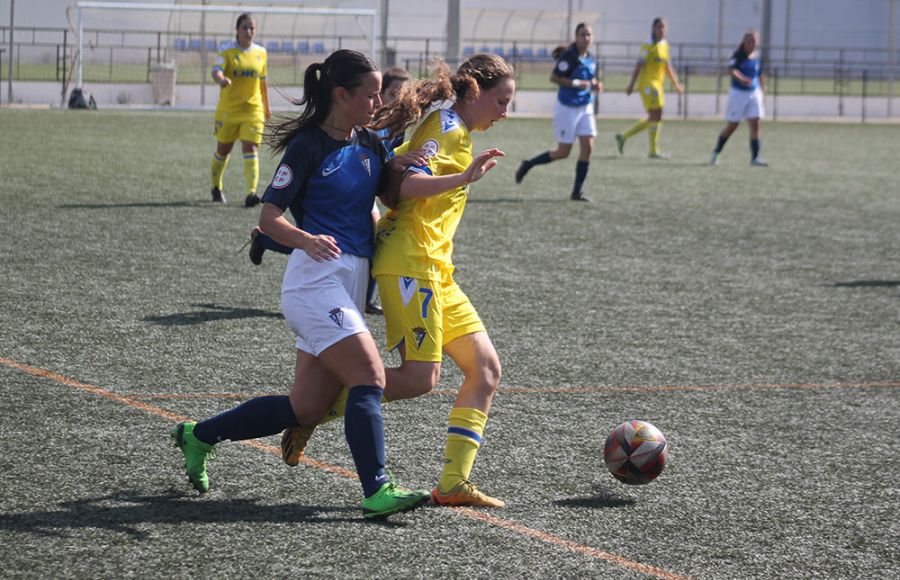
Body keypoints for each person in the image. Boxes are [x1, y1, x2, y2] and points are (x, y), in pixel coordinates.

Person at [172, 49, 431, 519]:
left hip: (350, 281)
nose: (378, 103)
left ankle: (198, 435)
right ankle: (377, 488)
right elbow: (269, 217)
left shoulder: (371, 143)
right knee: (369, 377)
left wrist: (406, 164)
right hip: (313, 284)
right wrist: (306, 238)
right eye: (370, 95)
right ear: (341, 95)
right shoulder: (308, 146)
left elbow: (386, 186)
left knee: (308, 407)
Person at [281, 54, 515, 509]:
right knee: (420, 377)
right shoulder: (445, 129)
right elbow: (406, 187)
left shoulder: (459, 131)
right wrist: (463, 177)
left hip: (436, 268)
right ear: (474, 91)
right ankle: (320, 410)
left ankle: (452, 484)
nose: (505, 111)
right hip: (410, 263)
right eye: (502, 100)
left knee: (485, 370)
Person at [514, 23, 601, 202]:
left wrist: (596, 84)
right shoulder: (569, 56)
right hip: (567, 107)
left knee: (588, 147)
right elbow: (554, 78)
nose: (587, 38)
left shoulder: (592, 58)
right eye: (583, 34)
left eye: (589, 34)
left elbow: (591, 78)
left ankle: (577, 192)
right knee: (563, 152)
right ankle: (528, 164)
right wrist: (577, 83)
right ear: (576, 37)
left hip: (585, 106)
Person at [209, 13, 271, 207]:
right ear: (237, 30)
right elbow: (216, 70)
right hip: (228, 110)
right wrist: (222, 80)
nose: (249, 31)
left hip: (253, 110)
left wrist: (267, 107)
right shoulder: (226, 50)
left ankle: (251, 193)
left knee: (251, 148)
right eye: (245, 27)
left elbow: (263, 83)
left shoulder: (261, 52)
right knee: (223, 150)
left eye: (252, 27)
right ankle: (216, 186)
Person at [616, 17, 684, 159]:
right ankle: (652, 150)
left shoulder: (664, 45)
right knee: (656, 115)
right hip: (648, 85)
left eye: (663, 27)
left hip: (657, 85)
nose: (661, 30)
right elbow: (638, 65)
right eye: (658, 27)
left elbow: (667, 67)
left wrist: (675, 83)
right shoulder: (648, 45)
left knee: (655, 116)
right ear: (653, 28)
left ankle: (624, 136)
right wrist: (631, 84)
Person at [710, 29, 768, 167]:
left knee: (756, 123)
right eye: (749, 41)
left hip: (754, 93)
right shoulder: (738, 55)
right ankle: (716, 152)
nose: (751, 44)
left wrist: (763, 90)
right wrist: (742, 79)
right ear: (744, 42)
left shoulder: (756, 57)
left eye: (754, 42)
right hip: (738, 94)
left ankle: (755, 157)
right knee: (733, 125)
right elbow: (731, 70)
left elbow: (760, 75)